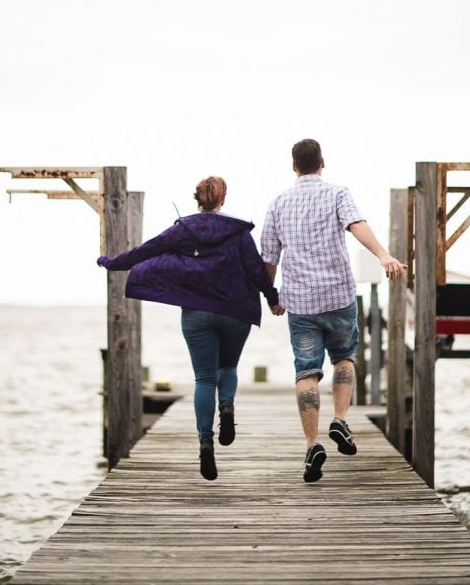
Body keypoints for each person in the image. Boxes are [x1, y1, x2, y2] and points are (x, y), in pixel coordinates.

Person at [96, 175, 280, 481]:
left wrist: (110, 262)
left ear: (198, 199)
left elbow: (144, 251)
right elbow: (257, 272)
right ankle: (228, 407)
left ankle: (205, 442)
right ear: (223, 199)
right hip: (235, 313)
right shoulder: (239, 232)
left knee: (204, 379)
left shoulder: (183, 229)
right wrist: (273, 300)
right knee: (228, 367)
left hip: (196, 314)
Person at [260, 139, 407, 484]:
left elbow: (269, 257)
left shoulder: (279, 202)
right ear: (322, 163)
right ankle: (340, 419)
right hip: (339, 296)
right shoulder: (338, 193)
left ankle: (313, 443)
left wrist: (271, 296)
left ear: (294, 166)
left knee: (306, 373)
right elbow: (357, 224)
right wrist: (383, 255)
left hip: (300, 301)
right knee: (344, 359)